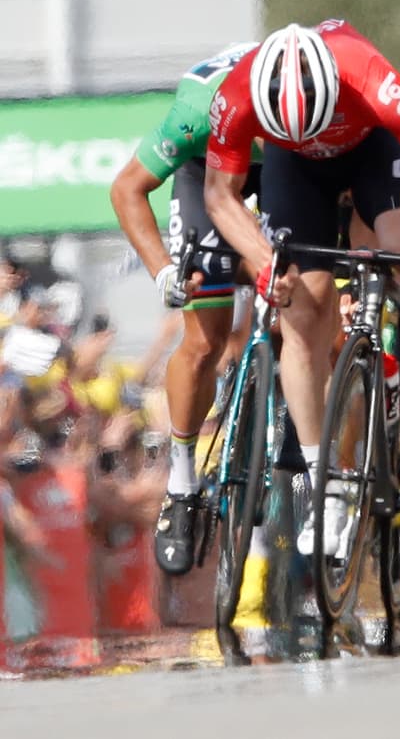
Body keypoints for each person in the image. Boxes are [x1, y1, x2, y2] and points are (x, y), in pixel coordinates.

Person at [202, 20, 400, 557]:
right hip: (296, 174)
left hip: (373, 148)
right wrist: (265, 264)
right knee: (301, 310)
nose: (310, 136)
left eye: (315, 123)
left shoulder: (366, 75)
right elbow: (221, 195)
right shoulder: (238, 94)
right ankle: (324, 483)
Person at [109, 42, 263, 576]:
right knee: (203, 339)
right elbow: (128, 189)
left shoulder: (322, 117)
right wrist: (163, 272)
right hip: (208, 168)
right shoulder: (197, 112)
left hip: (293, 169)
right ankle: (181, 479)